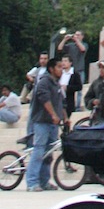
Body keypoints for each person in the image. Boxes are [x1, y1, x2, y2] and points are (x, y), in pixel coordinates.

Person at [25, 56, 63, 192]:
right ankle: (32, 182)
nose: (61, 70)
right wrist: (53, 115)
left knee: (49, 153)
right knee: (39, 150)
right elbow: (44, 99)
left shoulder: (56, 83)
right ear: (51, 69)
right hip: (42, 122)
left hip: (53, 123)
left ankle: (44, 181)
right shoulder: (44, 82)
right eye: (59, 67)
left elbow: (60, 102)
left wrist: (65, 117)